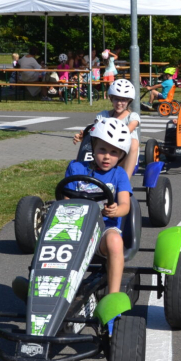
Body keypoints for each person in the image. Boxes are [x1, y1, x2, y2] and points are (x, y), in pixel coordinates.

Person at [63, 117, 132, 295]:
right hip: (75, 226)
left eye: (114, 152)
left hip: (103, 230)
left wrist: (116, 210)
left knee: (115, 241)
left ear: (122, 155)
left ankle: (113, 295)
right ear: (93, 147)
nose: (107, 156)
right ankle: (40, 285)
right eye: (102, 149)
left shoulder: (119, 175)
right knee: (48, 237)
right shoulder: (76, 167)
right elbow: (65, 199)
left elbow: (126, 205)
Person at [74, 79, 140, 177]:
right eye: (116, 99)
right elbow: (95, 130)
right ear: (111, 99)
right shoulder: (103, 115)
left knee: (134, 142)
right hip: (104, 154)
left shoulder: (132, 117)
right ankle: (80, 178)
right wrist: (84, 137)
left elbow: (127, 131)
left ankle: (125, 183)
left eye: (123, 100)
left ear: (129, 101)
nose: (119, 103)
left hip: (123, 156)